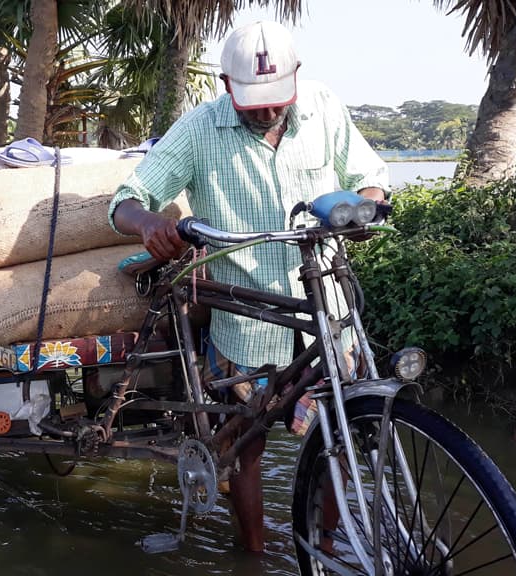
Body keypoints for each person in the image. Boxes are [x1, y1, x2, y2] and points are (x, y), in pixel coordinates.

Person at [108, 21, 389, 552]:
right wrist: (149, 225)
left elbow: (369, 172)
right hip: (245, 321)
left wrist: (364, 204)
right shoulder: (199, 129)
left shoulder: (326, 109)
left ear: (296, 77)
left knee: (344, 435)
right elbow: (126, 197)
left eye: (274, 100)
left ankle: (326, 546)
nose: (265, 112)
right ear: (226, 84)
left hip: (324, 311)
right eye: (251, 103)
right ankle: (254, 552)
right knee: (244, 446)